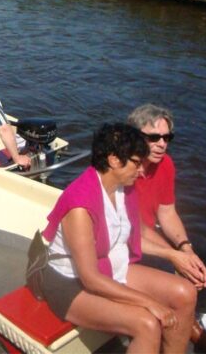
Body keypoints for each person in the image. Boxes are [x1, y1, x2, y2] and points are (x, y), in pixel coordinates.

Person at [41, 123, 196, 353]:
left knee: (185, 293)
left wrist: (175, 254)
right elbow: (90, 279)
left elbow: (139, 233)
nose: (141, 170)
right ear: (114, 160)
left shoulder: (124, 189)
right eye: (136, 162)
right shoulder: (80, 207)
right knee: (147, 324)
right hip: (70, 284)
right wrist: (150, 303)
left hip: (112, 268)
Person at [127, 104, 206, 343]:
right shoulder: (124, 170)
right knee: (168, 267)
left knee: (205, 250)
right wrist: (173, 255)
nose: (162, 144)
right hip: (125, 241)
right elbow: (132, 230)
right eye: (154, 138)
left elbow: (167, 213)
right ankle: (178, 327)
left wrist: (185, 248)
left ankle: (193, 317)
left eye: (166, 138)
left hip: (147, 234)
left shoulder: (165, 164)